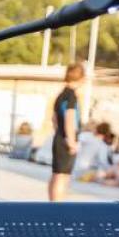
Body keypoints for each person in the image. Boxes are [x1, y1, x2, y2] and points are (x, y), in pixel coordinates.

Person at [48, 61, 84, 202]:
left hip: (59, 137)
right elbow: (70, 118)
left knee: (57, 174)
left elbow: (54, 119)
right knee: (63, 176)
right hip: (66, 139)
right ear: (81, 78)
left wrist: (60, 133)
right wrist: (71, 141)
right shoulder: (71, 96)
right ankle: (58, 205)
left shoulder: (61, 95)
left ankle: (53, 204)